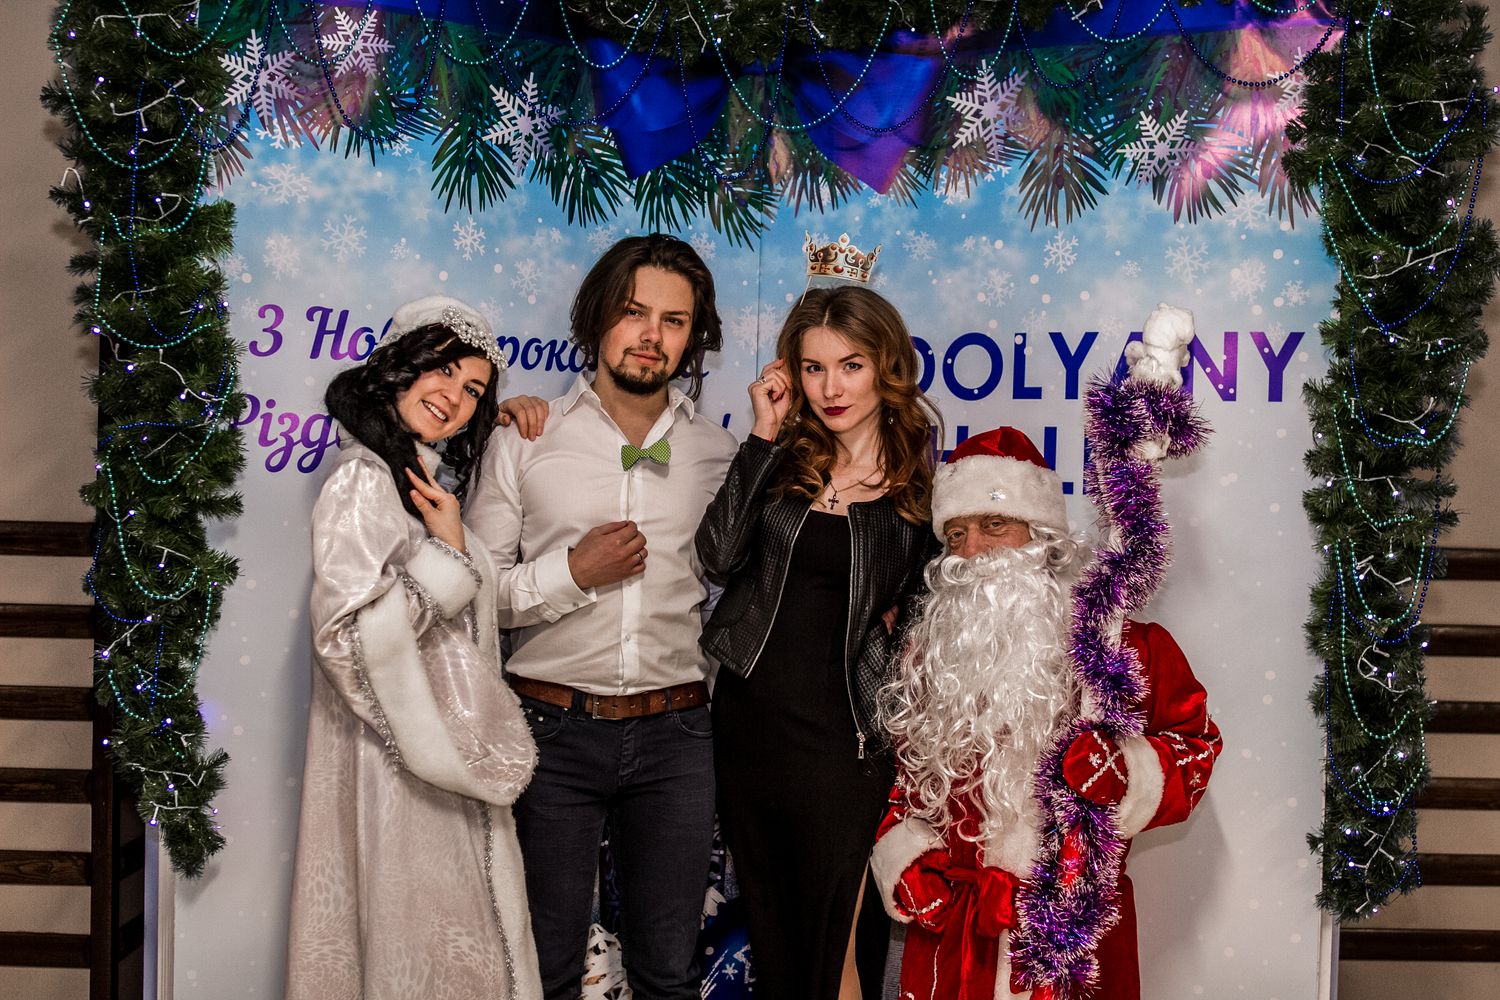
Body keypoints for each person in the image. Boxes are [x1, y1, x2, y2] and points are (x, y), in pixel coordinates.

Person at [464, 234, 737, 1000]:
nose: (651, 335)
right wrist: (571, 575)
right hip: (548, 733)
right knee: (542, 970)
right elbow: (475, 593)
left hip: (678, 739)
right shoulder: (525, 437)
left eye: (673, 321)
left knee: (669, 975)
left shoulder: (720, 454)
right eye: (633, 312)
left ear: (694, 336)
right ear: (597, 318)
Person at [872, 425, 1223, 1000]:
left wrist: (1125, 772)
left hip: (1070, 933)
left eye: (994, 525)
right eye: (956, 533)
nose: (972, 550)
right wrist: (907, 858)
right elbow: (905, 785)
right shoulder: (929, 657)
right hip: (955, 937)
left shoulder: (1123, 651)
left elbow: (1196, 748)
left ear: (1041, 537)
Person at [287, 295, 542, 1000]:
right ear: (402, 366)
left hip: (423, 763)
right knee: (422, 955)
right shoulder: (362, 481)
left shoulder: (409, 481)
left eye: (474, 390)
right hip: (393, 770)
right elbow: (346, 638)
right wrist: (450, 559)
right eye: (444, 371)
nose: (455, 397)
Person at [696, 278, 941, 999]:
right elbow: (717, 556)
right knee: (777, 940)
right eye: (813, 367)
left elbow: (924, 624)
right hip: (750, 726)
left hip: (845, 743)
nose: (831, 388)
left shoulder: (917, 495)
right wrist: (762, 435)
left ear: (886, 366)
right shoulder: (781, 463)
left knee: (835, 945)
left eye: (850, 365)